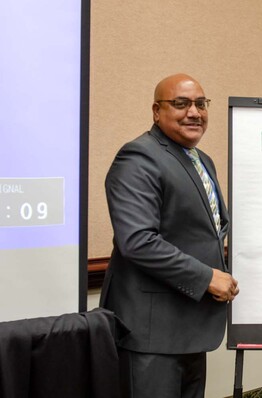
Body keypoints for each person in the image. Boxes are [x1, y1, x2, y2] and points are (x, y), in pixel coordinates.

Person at [100, 73, 239, 398]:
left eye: (201, 104)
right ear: (156, 111)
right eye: (181, 104)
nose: (194, 112)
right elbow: (138, 242)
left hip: (190, 327)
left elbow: (202, 233)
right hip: (150, 334)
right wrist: (207, 278)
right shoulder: (138, 157)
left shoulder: (201, 160)